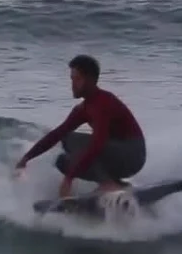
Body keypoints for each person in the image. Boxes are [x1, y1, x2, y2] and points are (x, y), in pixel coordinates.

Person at [14, 55, 146, 199]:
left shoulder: (103, 102)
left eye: (77, 79)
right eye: (72, 79)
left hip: (132, 153)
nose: (72, 84)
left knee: (73, 140)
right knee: (63, 162)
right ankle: (117, 184)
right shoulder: (83, 109)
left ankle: (108, 184)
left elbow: (98, 143)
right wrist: (27, 158)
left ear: (89, 80)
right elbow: (56, 134)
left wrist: (69, 179)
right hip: (116, 158)